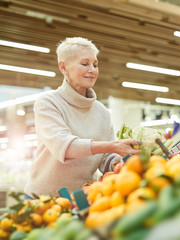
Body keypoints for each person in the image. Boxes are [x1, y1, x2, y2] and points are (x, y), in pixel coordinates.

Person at [24, 37, 140, 198]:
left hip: (80, 199)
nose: (92, 69)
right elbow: (65, 146)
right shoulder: (49, 103)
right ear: (63, 67)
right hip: (41, 198)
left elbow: (105, 157)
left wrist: (120, 161)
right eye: (84, 64)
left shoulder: (102, 112)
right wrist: (113, 145)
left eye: (95, 64)